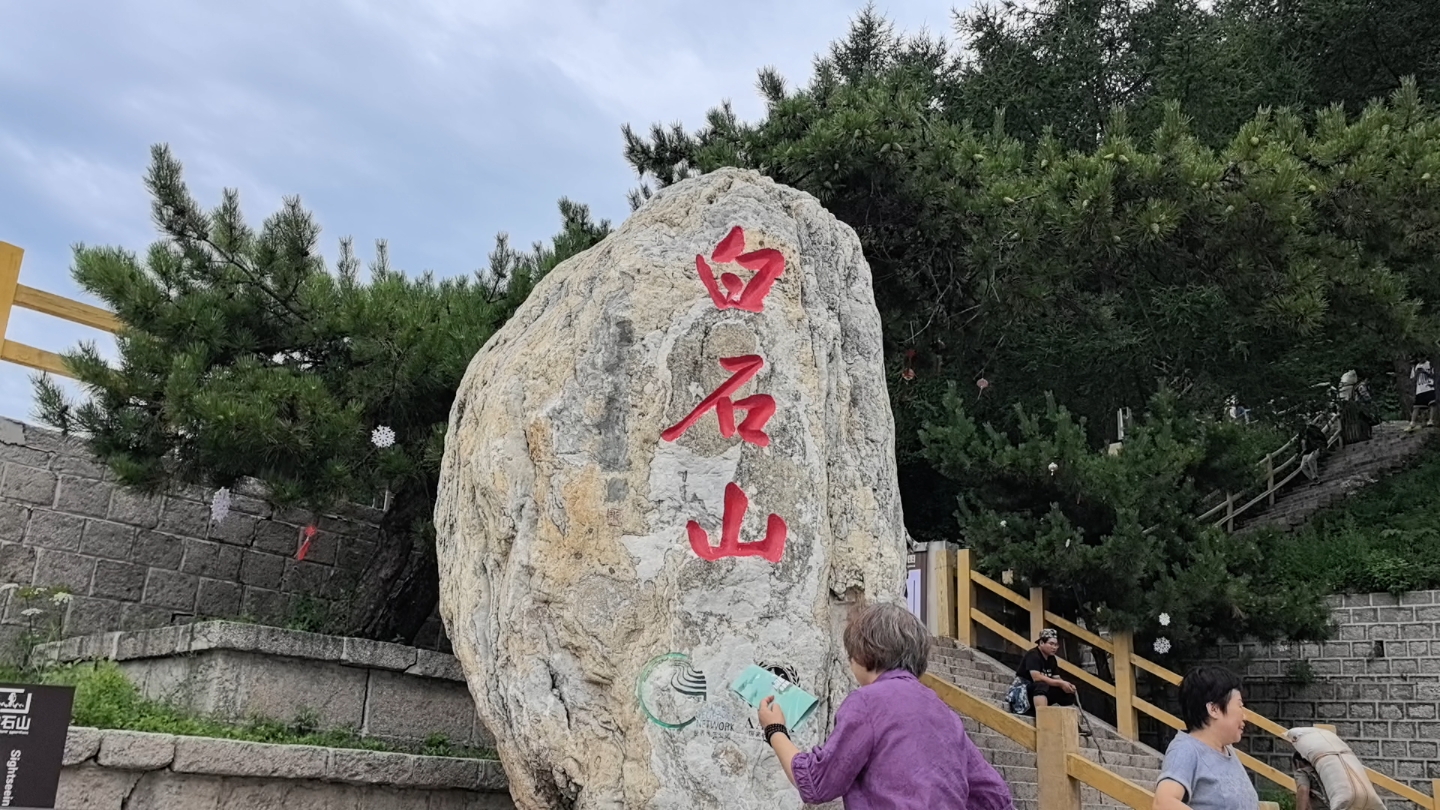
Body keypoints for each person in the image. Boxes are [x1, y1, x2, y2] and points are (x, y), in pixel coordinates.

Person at [758, 602, 1014, 809]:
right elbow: (995, 796)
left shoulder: (867, 702)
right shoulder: (943, 711)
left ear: (862, 653)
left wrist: (775, 730)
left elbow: (817, 783)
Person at [1153, 665, 1257, 810]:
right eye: (1240, 705)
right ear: (1214, 709)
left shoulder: (1227, 749)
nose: (1244, 716)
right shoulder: (1185, 750)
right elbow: (1163, 803)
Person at [1017, 628, 1077, 711]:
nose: (1054, 647)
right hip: (1023, 691)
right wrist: (1060, 683)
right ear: (1041, 643)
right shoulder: (1033, 655)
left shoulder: (1052, 659)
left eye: (1056, 645)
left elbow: (1057, 678)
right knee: (1041, 685)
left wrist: (1066, 685)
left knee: (1066, 692)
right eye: (1051, 644)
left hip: (1041, 689)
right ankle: (1042, 714)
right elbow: (1036, 677)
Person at [1409, 357, 1435, 431]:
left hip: (1429, 387)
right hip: (1420, 389)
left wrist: (1424, 372)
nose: (1420, 359)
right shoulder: (1415, 367)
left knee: (1432, 404)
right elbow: (1413, 379)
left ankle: (1431, 420)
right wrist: (1417, 373)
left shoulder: (1430, 364)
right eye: (1419, 358)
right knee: (1417, 406)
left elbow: (1434, 375)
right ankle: (1413, 422)